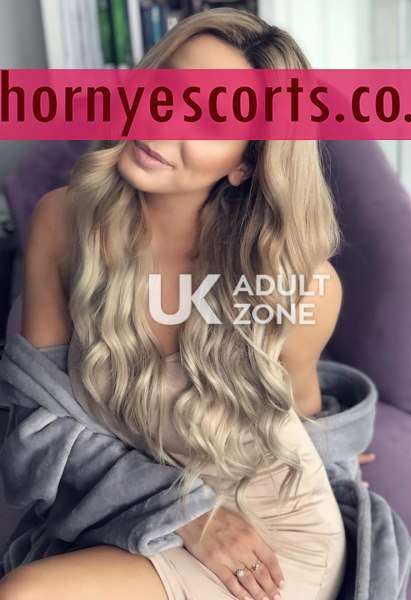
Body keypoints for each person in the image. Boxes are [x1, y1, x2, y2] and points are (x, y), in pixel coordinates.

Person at [0, 7, 376, 600]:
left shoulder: (299, 283)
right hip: (162, 517)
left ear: (245, 163)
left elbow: (300, 405)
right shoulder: (64, 222)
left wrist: (340, 462)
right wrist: (188, 514)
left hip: (275, 545)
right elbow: (36, 427)